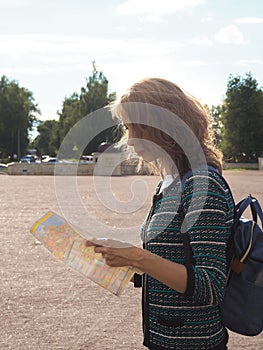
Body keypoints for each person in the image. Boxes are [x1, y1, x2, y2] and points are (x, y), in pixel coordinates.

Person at [86, 78, 234, 350]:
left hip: (194, 343)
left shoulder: (203, 185)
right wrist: (123, 261)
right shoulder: (169, 183)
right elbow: (170, 260)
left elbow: (211, 287)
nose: (129, 140)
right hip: (164, 339)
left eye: (136, 128)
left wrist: (138, 257)